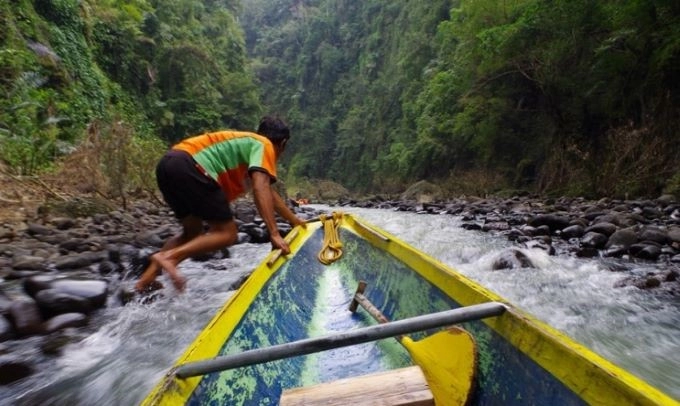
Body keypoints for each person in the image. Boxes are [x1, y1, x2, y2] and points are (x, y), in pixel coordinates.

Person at [134, 116, 305, 293]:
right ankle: (169, 258)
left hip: (168, 164)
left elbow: (269, 193)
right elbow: (260, 188)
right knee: (227, 233)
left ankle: (146, 280)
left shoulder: (249, 146)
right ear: (283, 144)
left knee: (191, 234)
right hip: (193, 166)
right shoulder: (265, 145)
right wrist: (275, 233)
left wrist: (294, 220)